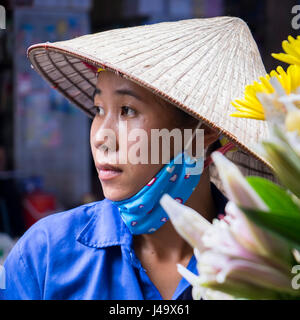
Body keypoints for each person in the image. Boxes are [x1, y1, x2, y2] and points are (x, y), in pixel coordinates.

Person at [0, 16, 276, 300]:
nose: (100, 138)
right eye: (98, 110)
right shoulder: (44, 257)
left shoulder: (271, 262)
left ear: (203, 129)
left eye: (127, 110)